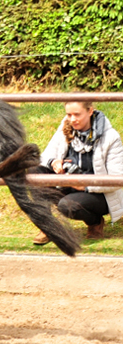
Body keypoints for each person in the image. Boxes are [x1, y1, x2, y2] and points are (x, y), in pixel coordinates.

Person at [33, 101, 123, 244]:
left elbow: (117, 179)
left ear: (90, 111)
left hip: (98, 193)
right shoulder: (64, 128)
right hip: (68, 185)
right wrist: (54, 162)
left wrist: (85, 186)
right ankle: (47, 226)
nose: (72, 119)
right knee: (35, 172)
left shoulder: (111, 137)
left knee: (67, 206)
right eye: (69, 114)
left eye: (77, 114)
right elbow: (44, 157)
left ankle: (95, 222)